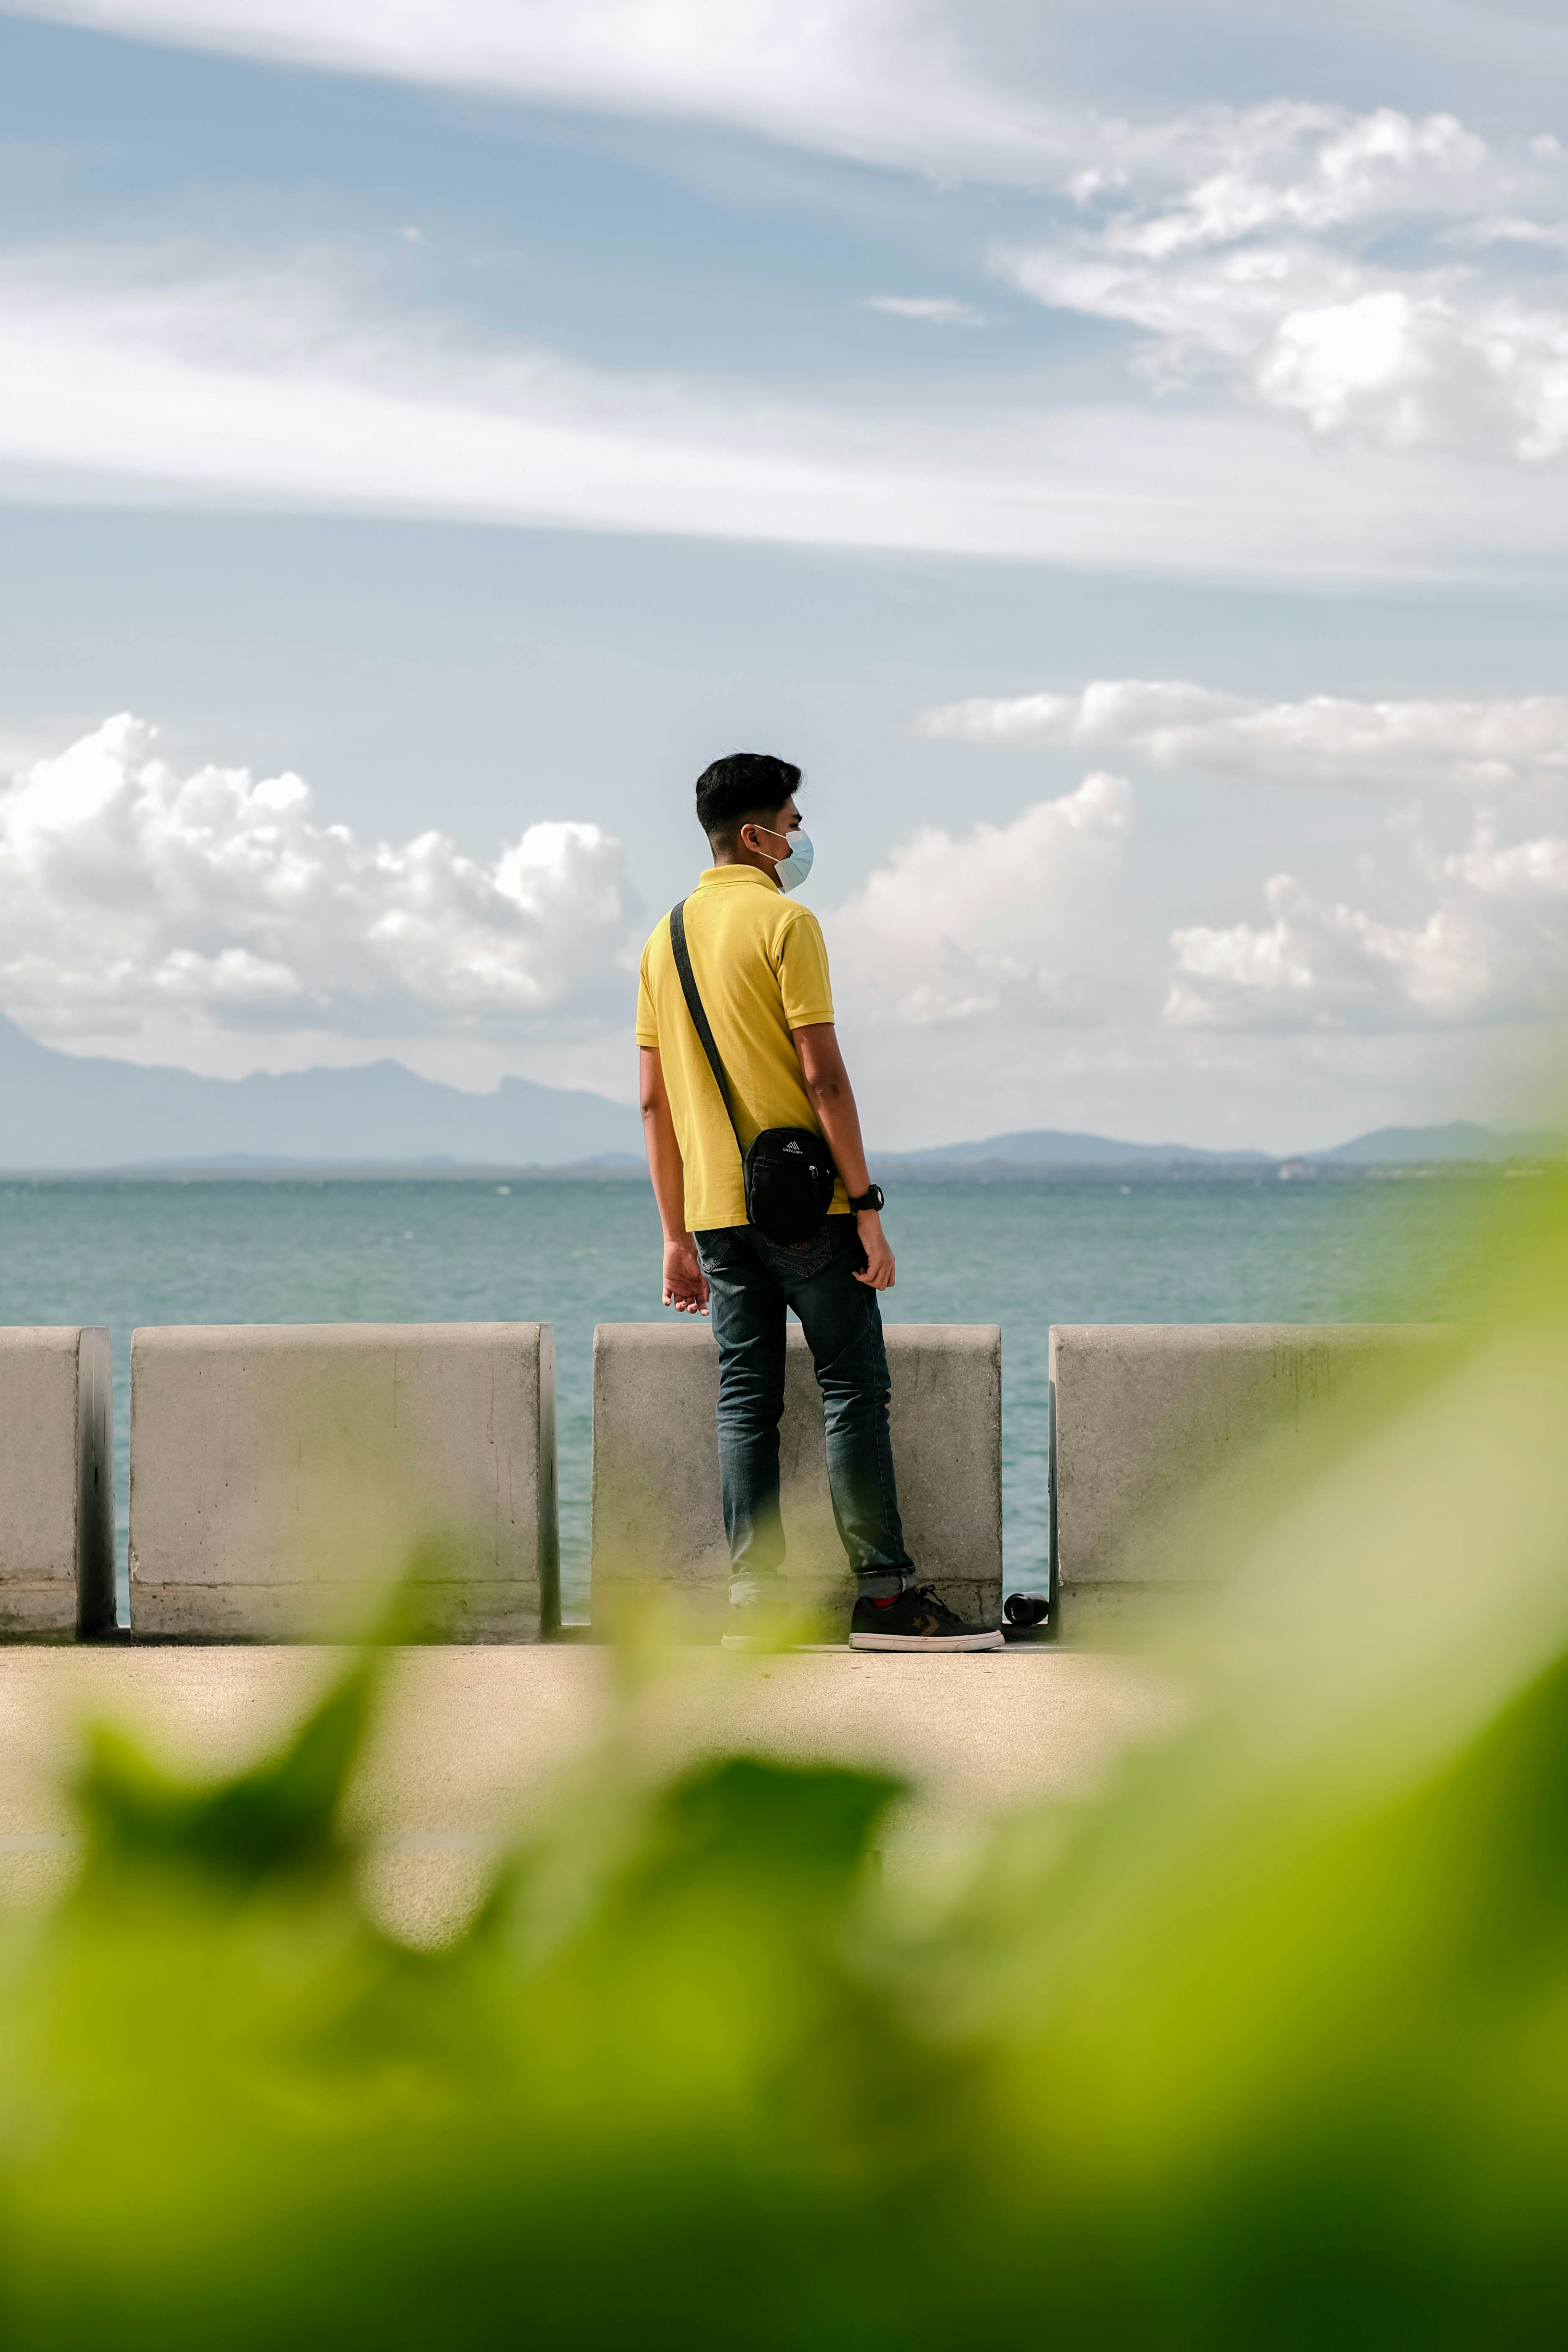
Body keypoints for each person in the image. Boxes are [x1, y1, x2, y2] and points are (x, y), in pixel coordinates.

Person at [636, 751, 1005, 1653]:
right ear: (758, 835)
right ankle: (884, 1599)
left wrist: (674, 1236)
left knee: (744, 1400)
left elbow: (652, 1100)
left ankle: (754, 1605)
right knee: (850, 1389)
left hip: (719, 1216)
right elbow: (823, 1076)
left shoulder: (663, 938)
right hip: (808, 1206)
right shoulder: (787, 922)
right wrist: (866, 1206)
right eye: (794, 824)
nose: (801, 839)